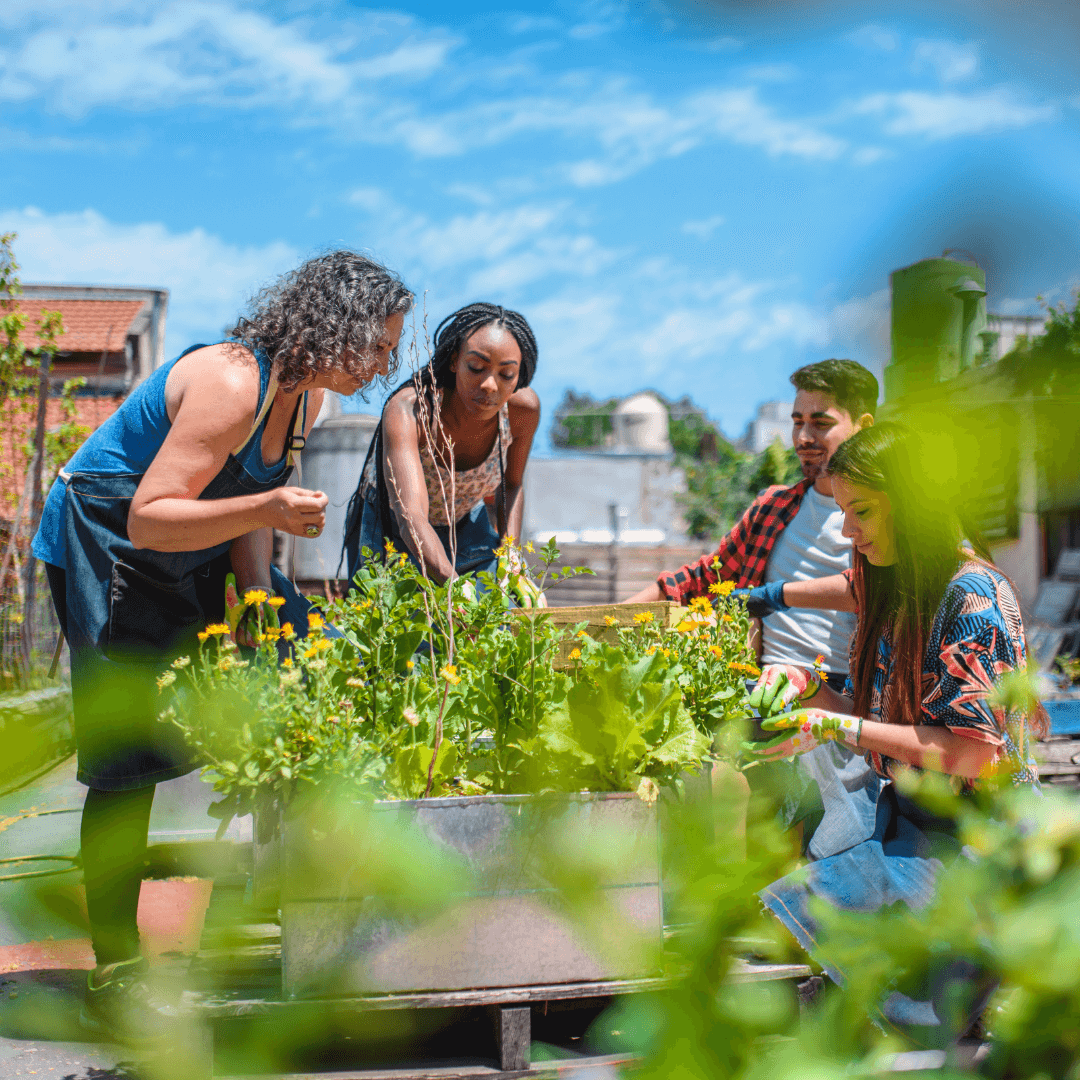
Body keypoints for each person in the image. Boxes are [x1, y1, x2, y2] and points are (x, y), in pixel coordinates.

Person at [31, 251, 412, 1043]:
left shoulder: (299, 403)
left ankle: (270, 908)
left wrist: (264, 603)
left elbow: (241, 512)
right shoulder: (235, 382)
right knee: (127, 757)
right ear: (336, 325)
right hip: (110, 538)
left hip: (179, 551)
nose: (387, 364)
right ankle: (117, 966)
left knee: (250, 693)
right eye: (380, 344)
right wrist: (272, 507)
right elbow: (149, 514)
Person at [753, 422, 1044, 1040]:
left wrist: (833, 721)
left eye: (863, 511)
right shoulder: (891, 589)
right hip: (912, 818)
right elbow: (881, 722)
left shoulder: (971, 597)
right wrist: (809, 689)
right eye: (841, 510)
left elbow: (973, 756)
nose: (847, 530)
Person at [625, 359, 878, 855]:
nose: (804, 436)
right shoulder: (775, 508)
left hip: (842, 700)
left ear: (863, 426)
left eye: (821, 422)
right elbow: (700, 579)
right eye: (797, 421)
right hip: (758, 692)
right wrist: (597, 621)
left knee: (769, 812)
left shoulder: (881, 518)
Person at [343, 303, 540, 591]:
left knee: (498, 617)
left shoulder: (523, 411)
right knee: (394, 629)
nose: (489, 384)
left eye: (506, 374)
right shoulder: (412, 410)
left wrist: (512, 557)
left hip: (463, 521)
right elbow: (411, 513)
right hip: (391, 526)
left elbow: (511, 485)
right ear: (453, 361)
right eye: (476, 367)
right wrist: (456, 588)